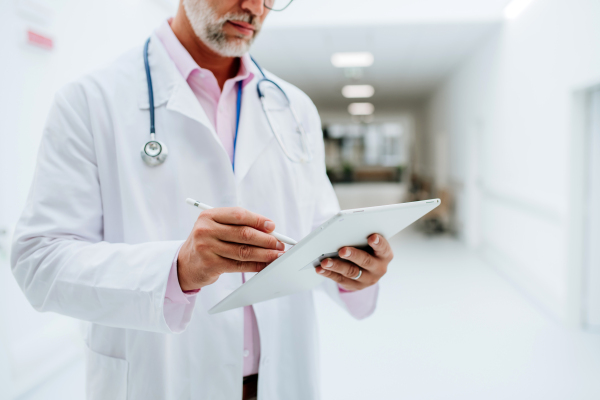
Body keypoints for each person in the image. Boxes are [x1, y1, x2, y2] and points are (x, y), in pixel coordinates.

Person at [10, 0, 394, 399]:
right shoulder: (89, 102)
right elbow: (39, 261)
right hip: (162, 381)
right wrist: (176, 269)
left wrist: (355, 267)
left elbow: (318, 230)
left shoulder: (294, 109)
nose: (254, 8)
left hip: (279, 380)